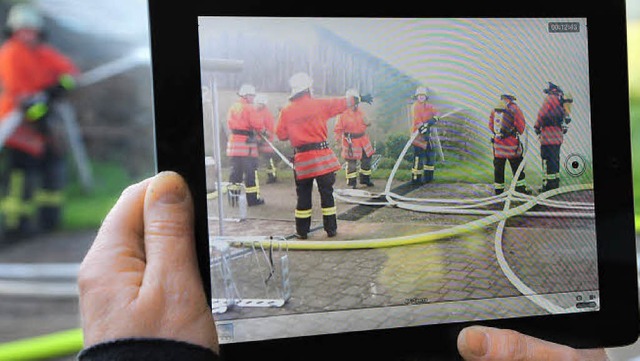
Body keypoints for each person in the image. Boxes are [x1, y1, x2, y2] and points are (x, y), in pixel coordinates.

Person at [77, 171, 610, 361]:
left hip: (314, 161)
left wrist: (144, 355)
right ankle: (320, 227)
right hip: (324, 161)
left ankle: (310, 229)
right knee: (317, 196)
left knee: (308, 201)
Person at [0, 3, 79, 236]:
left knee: (51, 166)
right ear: (14, 31)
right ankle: (15, 225)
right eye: (23, 30)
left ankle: (48, 221)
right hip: (16, 124)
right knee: (19, 174)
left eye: (31, 30)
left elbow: (71, 73)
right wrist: (40, 111)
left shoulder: (44, 54)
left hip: (41, 122)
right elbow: (22, 97)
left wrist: (58, 87)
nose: (27, 35)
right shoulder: (10, 53)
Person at [276, 72, 372, 239]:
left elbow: (281, 135)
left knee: (303, 196)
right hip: (323, 158)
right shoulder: (319, 104)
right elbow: (341, 103)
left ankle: (302, 231)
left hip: (303, 161)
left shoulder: (286, 110)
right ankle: (331, 229)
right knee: (327, 194)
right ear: (308, 90)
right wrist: (360, 98)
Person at [226, 84, 265, 206]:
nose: (253, 98)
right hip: (246, 146)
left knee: (235, 173)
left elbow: (229, 123)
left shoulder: (233, 107)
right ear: (247, 96)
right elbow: (257, 124)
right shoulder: (249, 108)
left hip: (234, 144)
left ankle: (233, 199)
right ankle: (252, 200)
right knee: (250, 174)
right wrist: (263, 131)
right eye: (252, 96)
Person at [334, 88, 375, 189]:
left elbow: (367, 123)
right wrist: (338, 142)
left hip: (363, 140)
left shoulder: (360, 111)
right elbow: (338, 129)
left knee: (366, 160)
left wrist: (369, 122)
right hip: (350, 142)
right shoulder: (342, 114)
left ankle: (365, 180)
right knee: (351, 163)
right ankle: (352, 183)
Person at [534, 82, 571, 192]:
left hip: (547, 137)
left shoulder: (549, 99)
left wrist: (536, 126)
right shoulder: (561, 101)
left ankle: (548, 187)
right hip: (558, 136)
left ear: (550, 91)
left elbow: (542, 114)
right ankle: (555, 185)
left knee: (547, 160)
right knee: (555, 160)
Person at [489, 94, 528, 195]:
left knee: (498, 169)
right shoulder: (515, 109)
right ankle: (520, 190)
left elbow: (490, 126)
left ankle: (499, 191)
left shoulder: (495, 109)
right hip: (512, 146)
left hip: (498, 147)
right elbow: (521, 127)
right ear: (511, 99)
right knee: (517, 167)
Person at [410, 86, 440, 185]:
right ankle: (416, 178)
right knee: (418, 157)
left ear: (426, 96)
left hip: (427, 135)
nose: (421, 97)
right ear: (416, 97)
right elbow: (417, 121)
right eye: (419, 95)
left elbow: (437, 113)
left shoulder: (429, 106)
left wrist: (433, 120)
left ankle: (428, 177)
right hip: (418, 135)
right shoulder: (415, 106)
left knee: (430, 154)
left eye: (423, 95)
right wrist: (423, 129)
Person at [255, 93, 278, 184]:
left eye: (259, 104)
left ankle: (272, 176)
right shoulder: (257, 112)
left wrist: (265, 136)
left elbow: (269, 128)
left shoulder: (266, 114)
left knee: (268, 159)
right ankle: (253, 176)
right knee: (254, 158)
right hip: (258, 139)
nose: (257, 105)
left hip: (266, 139)